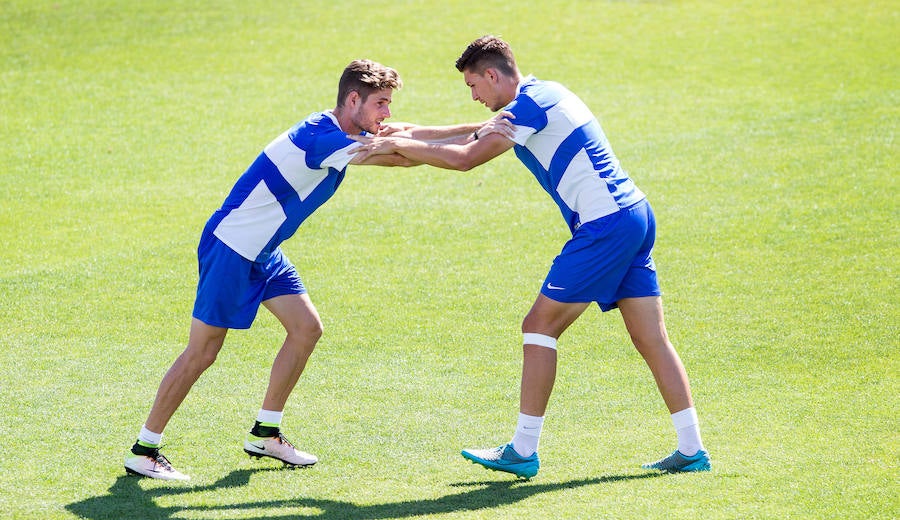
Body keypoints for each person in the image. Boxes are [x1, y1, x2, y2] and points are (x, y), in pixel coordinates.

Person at [125, 59, 506, 481]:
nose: (387, 114)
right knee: (203, 352)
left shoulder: (341, 126)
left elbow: (404, 135)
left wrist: (480, 128)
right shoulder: (322, 140)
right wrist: (483, 139)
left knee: (306, 328)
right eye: (381, 103)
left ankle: (265, 433)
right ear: (353, 99)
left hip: (264, 251)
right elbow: (399, 156)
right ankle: (145, 448)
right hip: (232, 248)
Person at [353, 36, 710, 479]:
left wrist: (388, 147)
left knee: (539, 326)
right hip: (634, 215)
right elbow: (471, 132)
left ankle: (522, 450)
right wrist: (404, 133)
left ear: (492, 74)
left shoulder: (529, 107)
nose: (474, 96)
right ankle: (692, 449)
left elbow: (466, 158)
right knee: (649, 338)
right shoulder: (546, 93)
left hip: (605, 226)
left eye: (473, 85)